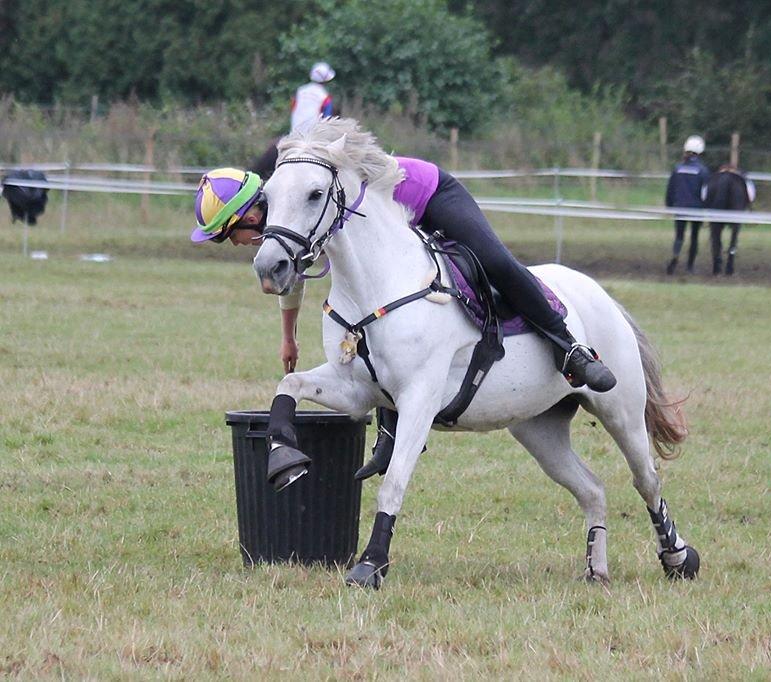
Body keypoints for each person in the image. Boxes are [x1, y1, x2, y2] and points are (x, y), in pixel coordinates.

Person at [191, 150, 618, 481]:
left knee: (498, 263)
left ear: (250, 213)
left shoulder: (302, 200)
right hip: (390, 216)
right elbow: (301, 279)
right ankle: (389, 427)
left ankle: (570, 347)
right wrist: (289, 337)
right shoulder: (289, 214)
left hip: (428, 195)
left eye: (231, 236)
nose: (236, 245)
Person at [664, 135, 711, 275]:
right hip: (696, 208)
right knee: (694, 237)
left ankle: (675, 255)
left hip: (680, 206)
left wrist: (669, 204)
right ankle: (690, 266)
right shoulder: (703, 170)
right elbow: (706, 192)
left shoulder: (677, 168)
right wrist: (706, 208)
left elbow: (670, 188)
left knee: (679, 236)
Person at [703, 164, 756, 275]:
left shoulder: (714, 179)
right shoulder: (742, 179)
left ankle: (716, 264)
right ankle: (730, 263)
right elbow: (751, 196)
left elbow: (704, 196)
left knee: (715, 234)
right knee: (734, 235)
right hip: (737, 208)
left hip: (714, 208)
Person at [290, 61, 336, 132]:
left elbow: (293, 108)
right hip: (313, 135)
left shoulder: (300, 91)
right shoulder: (325, 97)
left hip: (294, 131)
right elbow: (327, 118)